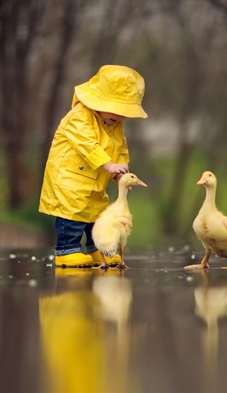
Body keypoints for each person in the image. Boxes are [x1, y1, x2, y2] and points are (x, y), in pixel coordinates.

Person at [39, 65, 147, 267]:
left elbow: (121, 148)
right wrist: (107, 164)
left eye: (125, 113)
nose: (120, 117)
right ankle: (66, 250)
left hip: (96, 180)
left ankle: (99, 249)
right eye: (117, 110)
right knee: (72, 214)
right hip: (70, 179)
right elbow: (87, 144)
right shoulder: (79, 116)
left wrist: (120, 170)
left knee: (98, 216)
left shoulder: (113, 124)